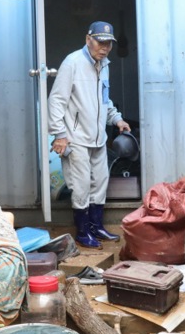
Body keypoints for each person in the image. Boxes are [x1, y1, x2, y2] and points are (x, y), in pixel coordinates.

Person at [49, 21, 131, 248]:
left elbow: (104, 99)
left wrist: (117, 119)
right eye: (100, 42)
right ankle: (83, 232)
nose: (104, 48)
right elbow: (56, 100)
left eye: (108, 43)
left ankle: (96, 227)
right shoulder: (72, 62)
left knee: (100, 183)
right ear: (88, 39)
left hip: (98, 138)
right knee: (81, 184)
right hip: (76, 137)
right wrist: (59, 134)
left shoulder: (104, 65)